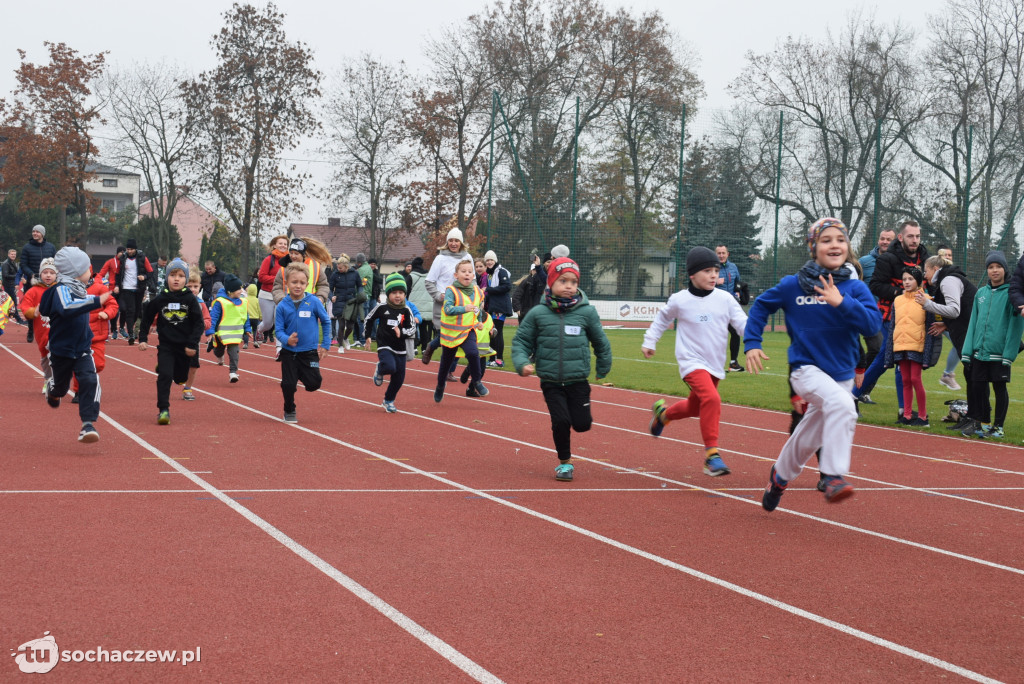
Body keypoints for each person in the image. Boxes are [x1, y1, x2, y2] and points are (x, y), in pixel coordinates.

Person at [745, 218, 882, 510]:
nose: (835, 245)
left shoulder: (855, 289)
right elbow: (760, 306)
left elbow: (873, 325)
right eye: (826, 240)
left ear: (847, 246)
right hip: (806, 370)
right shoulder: (792, 285)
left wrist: (841, 301)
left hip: (842, 375)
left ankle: (778, 478)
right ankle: (833, 476)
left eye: (840, 240)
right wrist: (752, 343)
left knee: (806, 437)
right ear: (813, 247)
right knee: (844, 407)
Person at [643, 246, 748, 477]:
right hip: (691, 362)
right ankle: (712, 456)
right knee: (711, 399)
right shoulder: (680, 300)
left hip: (715, 364)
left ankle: (663, 415)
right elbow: (662, 320)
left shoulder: (725, 299)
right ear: (692, 274)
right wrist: (650, 340)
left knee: (695, 406)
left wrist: (754, 342)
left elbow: (741, 323)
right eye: (707, 271)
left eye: (716, 270)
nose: (713, 275)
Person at [512, 257, 611, 481]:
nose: (569, 286)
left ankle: (575, 433)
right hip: (551, 381)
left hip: (578, 380)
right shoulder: (538, 314)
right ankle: (565, 463)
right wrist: (522, 363)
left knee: (582, 424)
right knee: (561, 421)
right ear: (551, 283)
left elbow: (600, 342)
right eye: (563, 281)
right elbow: (521, 342)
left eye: (573, 282)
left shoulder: (586, 313)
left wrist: (603, 366)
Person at [38, 247, 113, 443]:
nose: (91, 272)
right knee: (61, 389)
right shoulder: (60, 290)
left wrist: (97, 300)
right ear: (76, 271)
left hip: (82, 349)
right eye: (88, 268)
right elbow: (68, 307)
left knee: (90, 379)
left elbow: (84, 299)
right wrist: (96, 301)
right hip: (61, 351)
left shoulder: (80, 290)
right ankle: (54, 390)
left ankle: (88, 424)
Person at [855, 220, 929, 410]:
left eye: (918, 236)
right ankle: (904, 409)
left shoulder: (924, 256)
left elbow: (929, 284)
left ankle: (852, 395)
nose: (915, 240)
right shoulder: (887, 259)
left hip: (915, 316)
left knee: (887, 359)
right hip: (891, 316)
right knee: (896, 357)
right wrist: (901, 293)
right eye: (911, 236)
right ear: (901, 237)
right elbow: (876, 286)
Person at [959, 251, 1023, 439]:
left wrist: (1008, 354)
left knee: (999, 388)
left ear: (1005, 269)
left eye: (998, 267)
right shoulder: (981, 294)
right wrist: (967, 351)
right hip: (980, 353)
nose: (994, 271)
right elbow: (973, 323)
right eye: (991, 267)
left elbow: (1016, 326)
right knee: (978, 387)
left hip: (999, 354)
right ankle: (982, 423)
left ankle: (998, 426)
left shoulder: (1012, 294)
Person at [137, 259, 204, 424]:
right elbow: (147, 317)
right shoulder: (161, 298)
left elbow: (199, 323)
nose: (176, 279)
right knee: (165, 376)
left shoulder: (190, 300)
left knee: (180, 377)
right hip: (166, 345)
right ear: (167, 277)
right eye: (173, 275)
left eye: (181, 276)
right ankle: (163, 410)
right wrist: (143, 338)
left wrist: (192, 344)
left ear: (186, 280)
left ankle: (172, 370)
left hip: (185, 346)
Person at [275, 262, 330, 424]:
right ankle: (289, 409)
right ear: (287, 283)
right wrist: (287, 339)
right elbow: (278, 330)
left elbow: (326, 322)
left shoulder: (313, 302)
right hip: (289, 352)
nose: (298, 286)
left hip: (309, 352)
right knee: (288, 385)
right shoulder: (282, 306)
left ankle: (297, 374)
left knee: (314, 384)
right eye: (294, 282)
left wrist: (325, 344)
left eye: (302, 283)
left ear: (307, 284)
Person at [921, 253, 976, 406]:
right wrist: (945, 324)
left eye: (926, 271)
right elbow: (963, 309)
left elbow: (954, 310)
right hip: (969, 332)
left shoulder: (948, 280)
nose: (925, 276)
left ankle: (977, 419)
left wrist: (927, 304)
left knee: (975, 376)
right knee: (970, 374)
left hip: (973, 335)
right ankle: (972, 416)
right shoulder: (948, 279)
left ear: (936, 268)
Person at [888, 266, 938, 427]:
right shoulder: (897, 301)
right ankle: (907, 415)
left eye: (910, 279)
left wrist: (927, 351)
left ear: (918, 281)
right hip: (900, 345)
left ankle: (923, 417)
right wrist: (891, 349)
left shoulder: (927, 299)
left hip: (917, 346)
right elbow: (892, 326)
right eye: (904, 279)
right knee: (905, 380)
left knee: (916, 379)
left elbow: (930, 327)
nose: (907, 282)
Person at [433, 256, 486, 402]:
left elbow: (478, 310)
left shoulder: (477, 291)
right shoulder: (451, 290)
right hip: (451, 333)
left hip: (467, 330)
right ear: (456, 275)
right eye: (463, 271)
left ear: (473, 275)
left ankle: (477, 382)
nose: (467, 274)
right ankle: (440, 386)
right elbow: (448, 309)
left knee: (473, 353)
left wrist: (480, 321)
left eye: (470, 271)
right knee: (446, 363)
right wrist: (464, 308)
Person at [365, 273, 417, 413]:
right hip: (385, 345)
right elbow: (368, 319)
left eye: (401, 292)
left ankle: (388, 400)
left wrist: (403, 332)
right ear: (388, 294)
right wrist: (368, 336)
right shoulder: (382, 308)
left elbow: (412, 328)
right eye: (394, 292)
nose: (398, 296)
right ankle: (380, 369)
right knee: (389, 366)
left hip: (400, 347)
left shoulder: (406, 310)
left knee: (399, 378)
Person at [70, 266, 118, 404]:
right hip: (77, 335)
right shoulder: (69, 289)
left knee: (98, 364)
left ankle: (89, 381)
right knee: (78, 363)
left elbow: (113, 305)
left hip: (97, 335)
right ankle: (79, 391)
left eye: (83, 271)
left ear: (90, 272)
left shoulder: (100, 288)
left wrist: (107, 313)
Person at [423, 227, 470, 367]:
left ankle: (449, 369)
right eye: (451, 240)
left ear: (461, 242)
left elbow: (471, 279)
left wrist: (474, 296)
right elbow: (429, 281)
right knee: (446, 336)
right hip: (443, 303)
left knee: (460, 336)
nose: (453, 243)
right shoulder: (440, 258)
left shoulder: (467, 257)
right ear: (447, 242)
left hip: (461, 302)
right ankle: (432, 346)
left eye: (456, 241)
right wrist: (438, 295)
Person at [20, 258, 58, 392]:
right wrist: (33, 312)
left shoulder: (61, 289)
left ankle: (56, 380)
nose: (48, 275)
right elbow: (24, 306)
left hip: (58, 330)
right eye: (45, 272)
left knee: (56, 355)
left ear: (57, 275)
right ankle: (48, 379)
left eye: (52, 272)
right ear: (40, 274)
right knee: (45, 356)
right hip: (42, 330)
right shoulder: (33, 291)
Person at [206, 274, 250, 383]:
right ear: (230, 291)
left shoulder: (243, 302)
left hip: (234, 335)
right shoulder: (220, 302)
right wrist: (210, 331)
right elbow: (214, 317)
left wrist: (248, 329)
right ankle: (217, 353)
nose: (241, 290)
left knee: (234, 352)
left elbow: (245, 316)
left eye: (241, 288)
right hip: (221, 334)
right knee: (219, 351)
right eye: (238, 289)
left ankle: (233, 372)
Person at [113, 238, 155, 344]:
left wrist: (144, 277)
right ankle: (131, 333)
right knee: (130, 310)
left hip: (139, 288)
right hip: (126, 288)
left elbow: (150, 272)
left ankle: (130, 327)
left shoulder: (142, 258)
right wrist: (117, 285)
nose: (129, 251)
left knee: (137, 311)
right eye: (128, 249)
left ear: (135, 249)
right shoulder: (123, 258)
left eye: (131, 249)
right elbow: (118, 274)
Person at [19, 225, 56, 343]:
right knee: (31, 306)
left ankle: (51, 329)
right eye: (33, 231)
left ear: (42, 234)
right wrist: (31, 274)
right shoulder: (27, 247)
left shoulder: (50, 247)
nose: (35, 233)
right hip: (33, 281)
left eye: (37, 232)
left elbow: (56, 262)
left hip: (49, 281)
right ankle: (31, 329)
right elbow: (23, 264)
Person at [182, 271, 212, 401]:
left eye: (195, 286)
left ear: (200, 287)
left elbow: (208, 321)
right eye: (189, 286)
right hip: (178, 338)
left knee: (193, 365)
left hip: (193, 340)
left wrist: (203, 325)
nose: (193, 289)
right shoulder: (178, 300)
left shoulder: (201, 304)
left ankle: (187, 388)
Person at [714, 245, 744, 372]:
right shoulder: (711, 268)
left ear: (728, 254)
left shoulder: (733, 267)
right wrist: (715, 282)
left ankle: (733, 363)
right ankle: (714, 364)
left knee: (736, 332)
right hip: (715, 306)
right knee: (717, 335)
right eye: (719, 253)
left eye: (723, 253)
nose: (721, 255)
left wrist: (737, 292)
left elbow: (738, 282)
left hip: (730, 306)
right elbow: (701, 284)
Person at [256, 235, 289, 344]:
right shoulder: (269, 260)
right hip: (266, 295)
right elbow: (261, 277)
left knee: (279, 322)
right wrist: (278, 279)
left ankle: (279, 349)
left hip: (281, 295)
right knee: (268, 324)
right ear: (274, 245)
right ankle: (259, 330)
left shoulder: (290, 260)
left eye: (285, 244)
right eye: (280, 243)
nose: (283, 246)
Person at [483, 249, 512, 368]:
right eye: (487, 260)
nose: (489, 262)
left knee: (497, 332)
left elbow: (507, 286)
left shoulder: (501, 272)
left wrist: (488, 290)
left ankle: (499, 359)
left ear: (495, 260)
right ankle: (491, 358)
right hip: (493, 306)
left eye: (491, 260)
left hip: (500, 307)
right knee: (491, 332)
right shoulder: (490, 274)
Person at [330, 255, 361, 352]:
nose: (338, 269)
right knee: (342, 324)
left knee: (350, 326)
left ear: (346, 266)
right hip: (339, 301)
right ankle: (340, 346)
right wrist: (332, 296)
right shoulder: (335, 275)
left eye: (340, 268)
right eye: (337, 267)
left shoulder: (355, 273)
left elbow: (360, 286)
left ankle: (345, 338)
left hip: (351, 301)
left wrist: (360, 293)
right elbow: (329, 289)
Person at [408, 256, 433, 356]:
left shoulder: (411, 277)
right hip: (428, 304)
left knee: (413, 326)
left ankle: (414, 347)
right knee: (424, 329)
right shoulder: (428, 276)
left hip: (415, 305)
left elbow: (406, 290)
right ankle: (424, 348)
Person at [98, 246, 124, 338]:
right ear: (117, 253)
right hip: (112, 289)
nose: (122, 253)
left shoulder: (126, 262)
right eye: (121, 252)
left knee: (124, 309)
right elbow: (101, 274)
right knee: (115, 310)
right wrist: (102, 284)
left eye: (124, 251)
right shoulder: (110, 262)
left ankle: (122, 328)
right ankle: (114, 329)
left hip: (124, 289)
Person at [1, 248, 25, 324]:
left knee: (10, 302)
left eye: (14, 254)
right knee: (13, 302)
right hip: (8, 285)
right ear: (8, 255)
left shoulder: (12, 263)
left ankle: (6, 316)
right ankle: (18, 319)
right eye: (12, 254)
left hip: (12, 285)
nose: (13, 255)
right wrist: (16, 276)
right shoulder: (5, 264)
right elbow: (5, 275)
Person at [244, 281, 261, 349]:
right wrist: (260, 316)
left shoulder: (245, 299)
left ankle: (245, 343)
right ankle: (255, 341)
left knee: (246, 331)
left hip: (247, 318)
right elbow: (259, 309)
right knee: (255, 330)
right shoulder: (257, 300)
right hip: (255, 317)